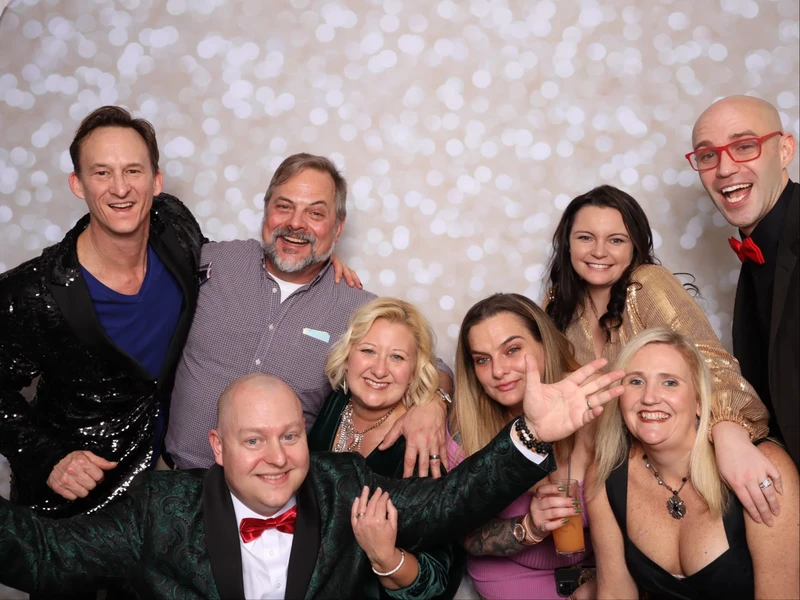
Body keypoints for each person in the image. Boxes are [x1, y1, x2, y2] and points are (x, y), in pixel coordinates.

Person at [0, 357, 626, 599]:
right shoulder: (159, 507)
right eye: (253, 440)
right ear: (217, 448)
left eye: (289, 436)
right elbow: (45, 554)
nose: (276, 457)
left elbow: (446, 504)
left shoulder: (343, 483)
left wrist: (530, 435)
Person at [165, 153, 453, 477]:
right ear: (266, 212)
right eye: (284, 207)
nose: (296, 224)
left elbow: (431, 364)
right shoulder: (211, 263)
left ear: (337, 228)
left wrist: (435, 402)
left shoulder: (354, 309)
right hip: (174, 478)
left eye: (315, 213)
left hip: (274, 496)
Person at [0, 105, 203, 519]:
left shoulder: (177, 230)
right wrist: (48, 457)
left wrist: (316, 268)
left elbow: (229, 269)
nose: (120, 188)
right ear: (78, 184)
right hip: (71, 505)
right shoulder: (34, 291)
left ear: (156, 180)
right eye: (102, 173)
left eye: (133, 171)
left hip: (161, 497)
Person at [543, 184, 783, 526]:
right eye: (585, 238)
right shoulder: (558, 306)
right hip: (604, 480)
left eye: (616, 239)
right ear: (567, 244)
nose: (599, 251)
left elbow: (708, 360)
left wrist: (731, 432)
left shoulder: (645, 284)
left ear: (635, 246)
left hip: (672, 468)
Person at [588, 327, 799, 599]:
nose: (650, 397)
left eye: (670, 382)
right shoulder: (605, 474)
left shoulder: (763, 466)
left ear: (699, 401)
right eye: (636, 382)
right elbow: (615, 592)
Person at [309, 297, 463, 599]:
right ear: (347, 356)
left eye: (397, 358)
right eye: (368, 351)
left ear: (415, 369)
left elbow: (438, 578)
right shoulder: (333, 405)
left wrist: (386, 557)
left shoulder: (421, 442)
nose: (379, 370)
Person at [447, 293, 595, 600]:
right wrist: (529, 527)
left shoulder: (589, 407)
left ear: (544, 344)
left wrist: (605, 584)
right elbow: (465, 535)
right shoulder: (465, 433)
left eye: (512, 350)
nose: (498, 371)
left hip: (595, 575)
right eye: (482, 360)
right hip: (511, 578)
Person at [689, 95, 798, 468]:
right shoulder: (756, 254)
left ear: (785, 151)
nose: (724, 168)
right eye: (707, 155)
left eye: (744, 146)